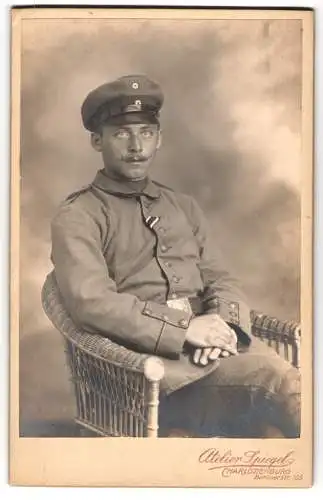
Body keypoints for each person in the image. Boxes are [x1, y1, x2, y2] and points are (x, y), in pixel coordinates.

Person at [47, 74, 300, 438]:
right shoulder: (78, 215)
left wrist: (223, 329)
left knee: (291, 402)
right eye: (122, 134)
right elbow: (92, 303)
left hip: (219, 351)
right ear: (96, 141)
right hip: (151, 373)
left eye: (146, 133)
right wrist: (186, 331)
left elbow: (221, 279)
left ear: (159, 139)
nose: (137, 146)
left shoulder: (182, 206)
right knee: (288, 387)